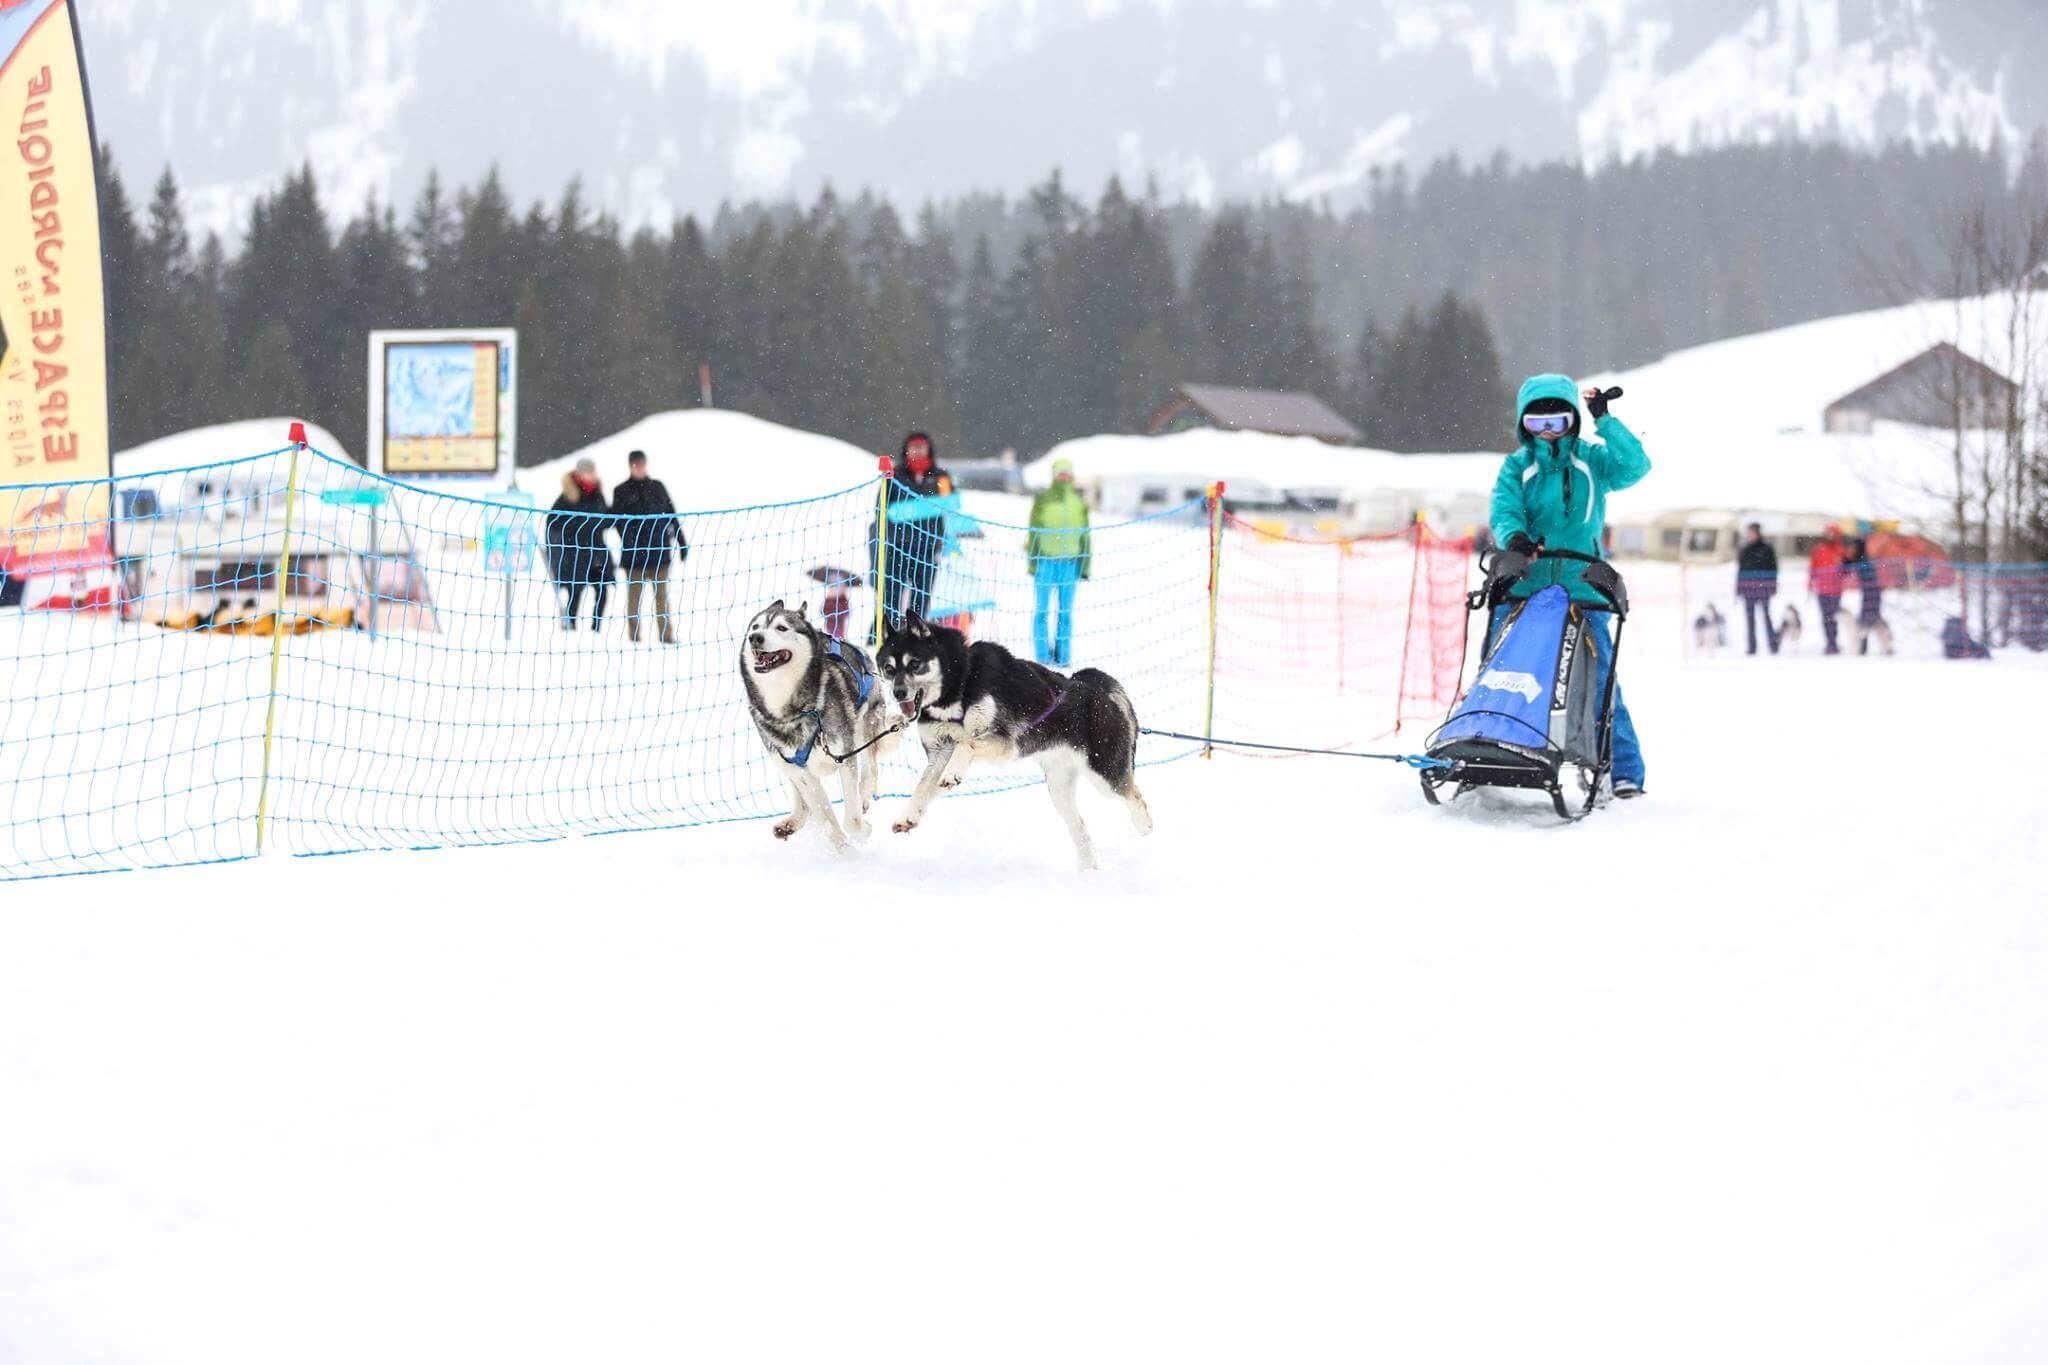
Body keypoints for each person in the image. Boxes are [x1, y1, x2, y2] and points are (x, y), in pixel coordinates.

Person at [1487, 374, 1651, 798]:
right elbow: (1505, 509)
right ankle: (1486, 745)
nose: (1547, 433)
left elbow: (1636, 466)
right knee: (1500, 671)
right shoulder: (1517, 466)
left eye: (1557, 423)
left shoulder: (1594, 462)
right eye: (1537, 424)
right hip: (1526, 585)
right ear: (1524, 425)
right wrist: (1516, 541)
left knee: (1600, 680)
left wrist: (1606, 422)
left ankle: (1623, 769)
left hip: (1583, 586)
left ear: (1572, 422)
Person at [873, 431, 951, 631]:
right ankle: (885, 632)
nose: (917, 451)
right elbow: (881, 509)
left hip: (927, 547)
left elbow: (951, 506)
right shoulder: (894, 476)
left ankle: (916, 635)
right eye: (913, 447)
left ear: (929, 450)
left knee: (922, 595)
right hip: (898, 546)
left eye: (921, 447)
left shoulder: (941, 477)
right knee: (891, 593)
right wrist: (889, 533)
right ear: (906, 450)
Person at [610, 449, 687, 644]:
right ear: (630, 466)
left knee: (662, 597)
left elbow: (671, 515)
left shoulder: (658, 487)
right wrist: (629, 539)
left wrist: (681, 541)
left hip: (659, 553)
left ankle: (666, 636)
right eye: (636, 464)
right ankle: (634, 638)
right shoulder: (621, 491)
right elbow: (617, 522)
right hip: (634, 557)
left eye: (642, 463)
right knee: (634, 599)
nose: (640, 467)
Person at [1026, 458, 1092, 666]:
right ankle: (1043, 656)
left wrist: (1085, 565)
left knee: (1065, 613)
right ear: (1054, 475)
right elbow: (1033, 532)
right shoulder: (1043, 500)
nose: (1063, 477)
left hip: (1070, 564)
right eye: (1059, 473)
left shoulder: (1079, 504)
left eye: (1067, 473)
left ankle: (1063, 656)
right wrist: (1033, 561)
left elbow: (1085, 536)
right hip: (1045, 562)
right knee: (1042, 611)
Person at [546, 458, 615, 631]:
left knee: (602, 591)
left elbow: (605, 520)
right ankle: (570, 627)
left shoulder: (598, 495)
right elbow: (553, 523)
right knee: (575, 592)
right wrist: (578, 525)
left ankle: (596, 629)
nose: (591, 476)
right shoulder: (567, 497)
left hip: (597, 552)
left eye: (593, 472)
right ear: (579, 474)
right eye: (587, 472)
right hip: (574, 554)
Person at [1843, 536, 1894, 655]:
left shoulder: (1863, 559)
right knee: (1870, 620)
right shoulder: (1861, 558)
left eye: (1854, 546)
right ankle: (1878, 646)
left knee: (1869, 621)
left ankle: (1872, 647)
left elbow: (1861, 567)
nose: (1852, 548)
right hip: (1870, 591)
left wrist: (1850, 562)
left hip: (1872, 591)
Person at [1735, 522, 1780, 655]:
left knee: (1766, 617)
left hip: (1764, 588)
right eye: (1749, 532)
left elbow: (1774, 568)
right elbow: (1741, 570)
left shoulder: (1767, 549)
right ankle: (1752, 647)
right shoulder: (1745, 549)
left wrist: (1772, 585)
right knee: (1750, 620)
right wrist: (1738, 587)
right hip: (1748, 589)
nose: (1750, 535)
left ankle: (1773, 646)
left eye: (1752, 532)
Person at [1808, 525, 1847, 655]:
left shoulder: (1841, 551)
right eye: (1828, 534)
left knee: (1834, 617)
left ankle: (1834, 642)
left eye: (1833, 534)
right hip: (1822, 590)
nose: (1830, 536)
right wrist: (1810, 584)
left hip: (1836, 590)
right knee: (1826, 617)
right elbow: (1812, 569)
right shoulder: (1818, 550)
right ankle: (1830, 643)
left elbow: (1846, 569)